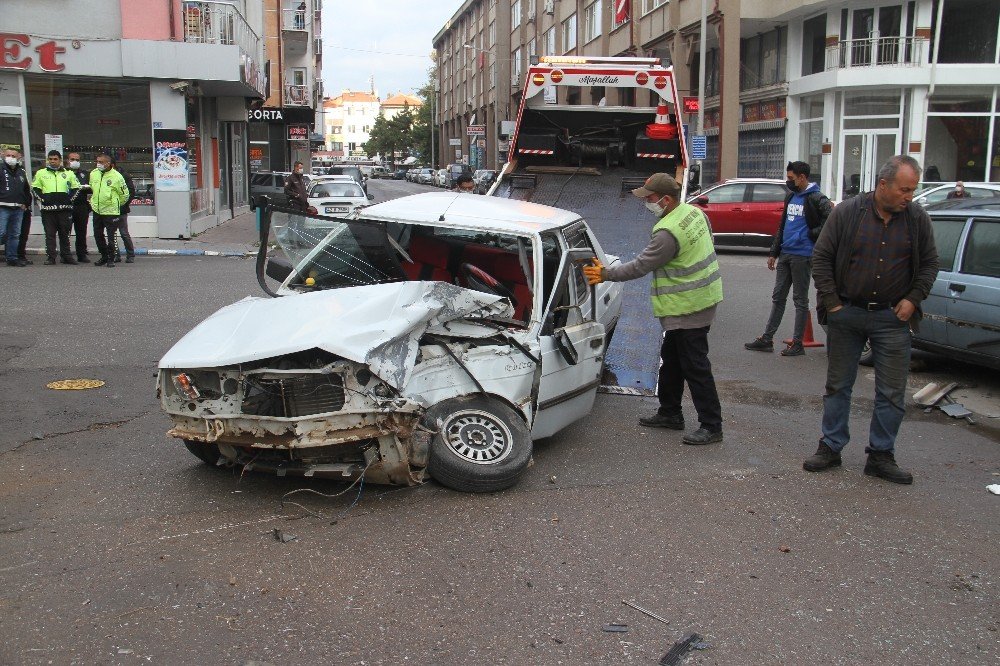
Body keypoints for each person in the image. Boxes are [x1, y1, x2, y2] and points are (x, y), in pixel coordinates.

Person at [806, 155, 939, 485]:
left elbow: (930, 265)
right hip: (846, 314)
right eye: (905, 189)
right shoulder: (848, 213)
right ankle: (831, 446)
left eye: (913, 190)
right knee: (838, 385)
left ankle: (881, 455)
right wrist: (833, 303)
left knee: (892, 392)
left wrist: (913, 299)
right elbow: (821, 258)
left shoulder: (916, 219)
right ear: (883, 185)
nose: (910, 196)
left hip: (892, 317)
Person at [583, 173, 724, 445]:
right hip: (701, 297)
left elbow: (640, 265)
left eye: (649, 198)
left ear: (666, 199)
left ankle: (712, 425)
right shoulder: (693, 213)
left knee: (695, 366)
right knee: (671, 359)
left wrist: (605, 274)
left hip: (688, 306)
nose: (646, 203)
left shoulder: (668, 232)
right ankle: (670, 412)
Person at [745, 161, 833, 356]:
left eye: (791, 178)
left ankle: (798, 343)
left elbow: (831, 220)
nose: (788, 181)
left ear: (802, 177)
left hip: (803, 255)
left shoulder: (816, 198)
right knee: (778, 297)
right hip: (785, 254)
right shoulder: (791, 196)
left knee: (800, 300)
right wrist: (773, 253)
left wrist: (811, 234)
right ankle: (767, 339)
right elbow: (782, 226)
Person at [32, 150, 81, 265]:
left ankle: (66, 256)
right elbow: (35, 188)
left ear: (60, 160)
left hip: (64, 210)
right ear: (48, 160)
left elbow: (76, 188)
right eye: (50, 159)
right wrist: (44, 199)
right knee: (50, 234)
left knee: (65, 234)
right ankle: (51, 257)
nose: (53, 161)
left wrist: (69, 199)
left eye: (55, 159)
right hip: (48, 211)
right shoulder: (41, 173)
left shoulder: (69, 173)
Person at [89, 153, 129, 268]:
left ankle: (111, 258)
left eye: (101, 162)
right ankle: (104, 256)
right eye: (97, 161)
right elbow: (93, 188)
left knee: (111, 236)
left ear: (108, 163)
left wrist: (116, 204)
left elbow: (124, 194)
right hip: (97, 210)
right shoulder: (93, 174)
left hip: (111, 211)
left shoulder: (117, 176)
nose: (98, 164)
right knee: (98, 235)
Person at [1, 147, 31, 267]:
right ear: (4, 156)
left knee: (14, 234)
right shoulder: (0, 169)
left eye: (14, 156)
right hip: (2, 207)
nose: (11, 158)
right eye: (8, 156)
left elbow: (26, 189)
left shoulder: (21, 171)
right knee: (1, 233)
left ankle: (12, 258)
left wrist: (26, 203)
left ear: (19, 157)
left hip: (18, 208)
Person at [110, 158, 136, 263]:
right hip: (109, 210)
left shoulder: (123, 175)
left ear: (112, 165)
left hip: (121, 209)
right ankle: (116, 254)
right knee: (112, 234)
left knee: (124, 233)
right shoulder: (104, 175)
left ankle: (130, 255)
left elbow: (131, 191)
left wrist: (122, 203)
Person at [67, 151, 92, 262]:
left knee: (81, 232)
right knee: (65, 232)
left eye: (77, 160)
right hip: (67, 207)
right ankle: (66, 255)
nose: (75, 162)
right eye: (72, 159)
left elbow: (92, 190)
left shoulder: (85, 174)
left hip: (81, 207)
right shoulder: (64, 173)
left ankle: (81, 254)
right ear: (68, 160)